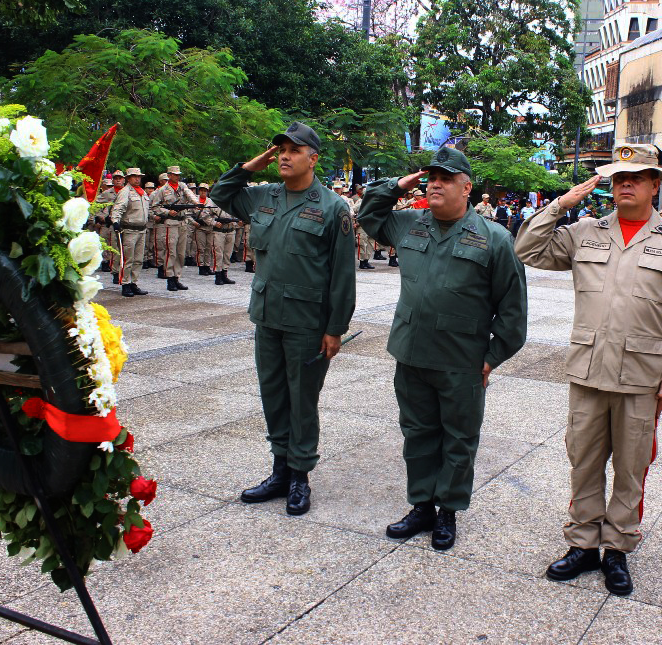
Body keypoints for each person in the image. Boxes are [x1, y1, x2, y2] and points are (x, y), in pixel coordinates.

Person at [516, 143, 662, 597]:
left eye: (637, 177)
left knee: (630, 469)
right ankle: (584, 544)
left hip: (641, 380)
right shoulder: (584, 232)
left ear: (654, 185)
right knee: (583, 462)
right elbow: (526, 247)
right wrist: (561, 205)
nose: (626, 183)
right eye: (619, 177)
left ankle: (618, 550)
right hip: (587, 373)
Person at [358, 147, 527, 551]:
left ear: (467, 189)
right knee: (417, 433)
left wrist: (490, 358)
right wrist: (400, 183)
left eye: (446, 178)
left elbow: (513, 311)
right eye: (431, 176)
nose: (435, 183)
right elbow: (369, 216)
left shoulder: (495, 239)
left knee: (458, 438)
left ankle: (447, 511)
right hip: (411, 352)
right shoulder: (411, 224)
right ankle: (421, 506)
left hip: (461, 360)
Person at [211, 122, 355, 515]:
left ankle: (299, 478)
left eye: (295, 149)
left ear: (314, 158)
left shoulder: (332, 207)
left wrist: (335, 328)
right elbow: (220, 193)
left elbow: (342, 275)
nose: (286, 156)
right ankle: (278, 472)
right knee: (273, 395)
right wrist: (249, 167)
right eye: (281, 150)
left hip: (308, 323)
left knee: (302, 401)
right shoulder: (263, 197)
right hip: (267, 316)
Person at [150, 165, 200, 291]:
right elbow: (154, 207)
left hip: (183, 222)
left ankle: (177, 277)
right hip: (171, 223)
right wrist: (167, 212)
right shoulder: (162, 190)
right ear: (169, 175)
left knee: (180, 253)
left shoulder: (182, 186)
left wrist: (196, 203)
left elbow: (190, 195)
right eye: (175, 174)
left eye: (178, 174)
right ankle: (170, 278)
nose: (178, 176)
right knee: (171, 252)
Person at [110, 168, 150, 297]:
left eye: (139, 177)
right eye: (134, 177)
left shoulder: (142, 192)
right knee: (128, 259)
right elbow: (118, 208)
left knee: (138, 259)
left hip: (141, 229)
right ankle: (125, 283)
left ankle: (134, 282)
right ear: (128, 178)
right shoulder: (125, 192)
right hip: (129, 229)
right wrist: (115, 221)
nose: (137, 179)